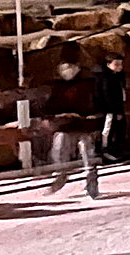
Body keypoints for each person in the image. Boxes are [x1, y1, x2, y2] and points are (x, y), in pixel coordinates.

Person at [41, 56, 102, 197]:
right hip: (65, 126)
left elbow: (96, 103)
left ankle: (91, 183)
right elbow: (48, 108)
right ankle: (60, 176)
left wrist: (89, 116)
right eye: (63, 68)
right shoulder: (57, 87)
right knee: (59, 148)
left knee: (87, 152)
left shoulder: (88, 84)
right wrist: (55, 117)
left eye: (69, 67)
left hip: (84, 125)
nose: (66, 71)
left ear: (77, 67)